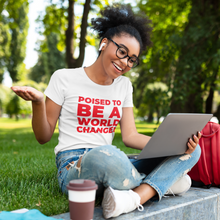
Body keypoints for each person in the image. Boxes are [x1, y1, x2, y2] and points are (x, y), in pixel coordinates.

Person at [11, 4, 201, 219]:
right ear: (104, 43)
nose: (125, 62)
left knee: (192, 150)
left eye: (132, 59)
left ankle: (134, 197)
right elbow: (43, 137)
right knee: (106, 156)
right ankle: (160, 183)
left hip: (114, 161)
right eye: (122, 52)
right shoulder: (63, 77)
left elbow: (130, 136)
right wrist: (37, 103)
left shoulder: (124, 86)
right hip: (76, 167)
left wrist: (172, 146)